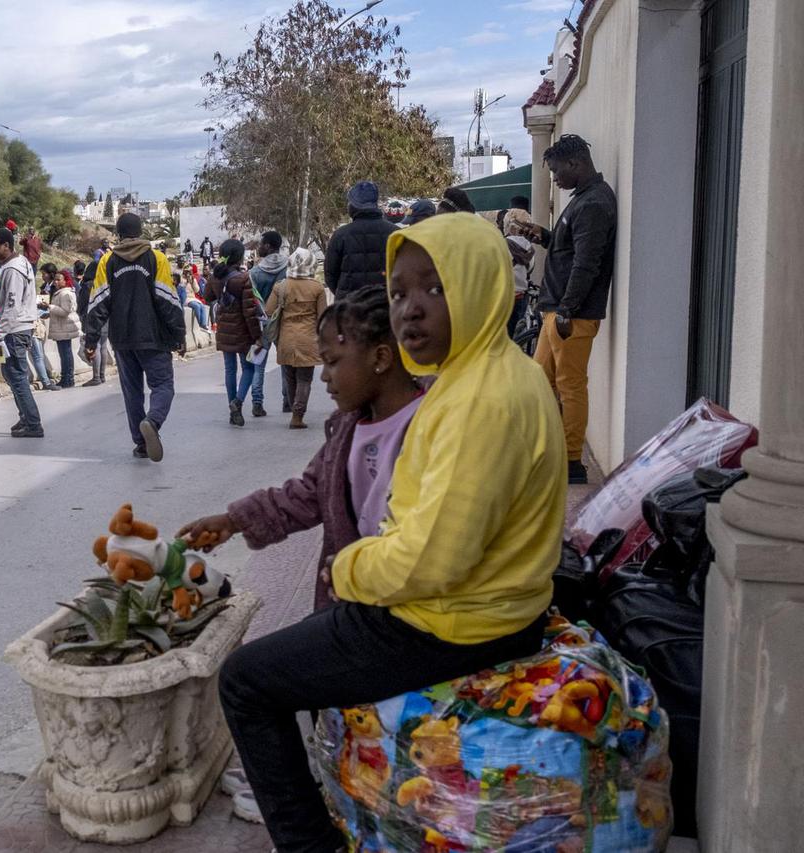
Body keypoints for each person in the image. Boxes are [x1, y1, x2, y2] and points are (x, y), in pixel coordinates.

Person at [188, 212, 566, 852]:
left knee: (246, 682)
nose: (411, 309)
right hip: (471, 608)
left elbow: (431, 559)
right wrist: (237, 520)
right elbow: (311, 493)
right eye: (399, 294)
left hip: (448, 621)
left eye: (435, 288)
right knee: (299, 667)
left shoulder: (479, 400)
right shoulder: (487, 374)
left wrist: (344, 571)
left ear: (480, 286)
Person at [524, 134, 617, 485]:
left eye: (557, 171)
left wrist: (567, 308)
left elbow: (586, 263)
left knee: (570, 386)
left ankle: (571, 460)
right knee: (540, 381)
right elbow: (570, 251)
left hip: (571, 315)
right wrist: (543, 236)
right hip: (558, 311)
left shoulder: (593, 204)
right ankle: (549, 450)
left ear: (575, 163)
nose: (555, 179)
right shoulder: (584, 200)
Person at [84, 212, 186, 461]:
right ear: (140, 232)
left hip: (122, 339)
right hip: (154, 337)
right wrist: (179, 334)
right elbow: (167, 300)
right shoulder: (157, 258)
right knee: (163, 385)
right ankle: (153, 421)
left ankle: (141, 444)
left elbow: (98, 303)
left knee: (132, 392)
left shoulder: (107, 261)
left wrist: (91, 340)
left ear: (118, 234)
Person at [0, 228, 44, 438]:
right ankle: (25, 417)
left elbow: (12, 307)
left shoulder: (13, 270)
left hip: (14, 330)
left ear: (6, 245)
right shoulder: (20, 263)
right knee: (11, 375)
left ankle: (33, 423)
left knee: (18, 377)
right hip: (17, 328)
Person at [264, 247, 328, 429]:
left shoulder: (281, 286)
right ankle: (298, 416)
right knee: (304, 379)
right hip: (308, 338)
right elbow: (323, 316)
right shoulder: (317, 288)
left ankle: (294, 411)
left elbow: (269, 311)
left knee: (290, 377)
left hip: (286, 339)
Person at [205, 238, 262, 427]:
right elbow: (249, 312)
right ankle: (237, 402)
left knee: (230, 370)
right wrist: (257, 336)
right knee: (249, 368)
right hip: (243, 332)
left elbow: (207, 297)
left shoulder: (215, 276)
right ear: (239, 257)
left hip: (224, 330)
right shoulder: (243, 278)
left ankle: (233, 409)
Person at [324, 180, 400, 297]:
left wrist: (344, 294)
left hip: (349, 304)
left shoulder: (340, 235)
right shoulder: (395, 233)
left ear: (354, 206)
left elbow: (330, 275)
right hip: (385, 303)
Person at [248, 230, 290, 417]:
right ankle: (287, 400)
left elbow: (252, 300)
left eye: (261, 244)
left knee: (258, 365)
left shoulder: (255, 272)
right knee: (286, 363)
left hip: (261, 324)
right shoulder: (288, 268)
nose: (259, 247)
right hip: (283, 321)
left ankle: (257, 403)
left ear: (269, 246)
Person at [76, 257, 110, 385]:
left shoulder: (88, 285)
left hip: (92, 318)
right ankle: (102, 375)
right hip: (105, 318)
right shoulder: (106, 284)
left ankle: (96, 377)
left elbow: (82, 303)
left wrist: (80, 313)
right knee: (103, 346)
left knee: (95, 346)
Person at [502, 208, 536, 337]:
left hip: (503, 298)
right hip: (521, 297)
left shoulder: (501, 245)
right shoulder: (530, 248)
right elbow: (530, 269)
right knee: (519, 335)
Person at [48, 270, 81, 388]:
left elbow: (65, 311)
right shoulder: (60, 293)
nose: (56, 282)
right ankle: (66, 378)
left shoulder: (65, 294)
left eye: (59, 280)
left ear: (65, 281)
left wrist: (50, 307)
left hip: (64, 328)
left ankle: (68, 379)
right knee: (64, 354)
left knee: (66, 354)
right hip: (62, 328)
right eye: (55, 280)